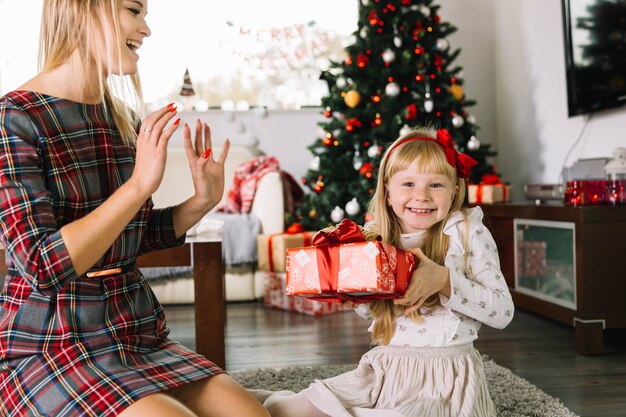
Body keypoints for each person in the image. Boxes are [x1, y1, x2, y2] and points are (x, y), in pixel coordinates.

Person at [0, 1, 270, 416]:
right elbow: (39, 265)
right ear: (83, 10)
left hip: (134, 332)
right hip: (52, 345)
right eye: (133, 10)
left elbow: (131, 236)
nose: (146, 29)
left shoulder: (121, 118)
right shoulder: (14, 118)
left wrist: (199, 203)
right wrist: (139, 184)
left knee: (252, 414)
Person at [256, 127, 514, 417]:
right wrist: (360, 299)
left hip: (446, 381)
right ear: (388, 192)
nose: (422, 195)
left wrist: (443, 280)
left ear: (455, 189)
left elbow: (503, 312)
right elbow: (375, 315)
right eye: (408, 184)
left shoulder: (467, 232)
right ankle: (271, 400)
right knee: (288, 409)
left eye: (436, 185)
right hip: (386, 371)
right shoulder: (376, 239)